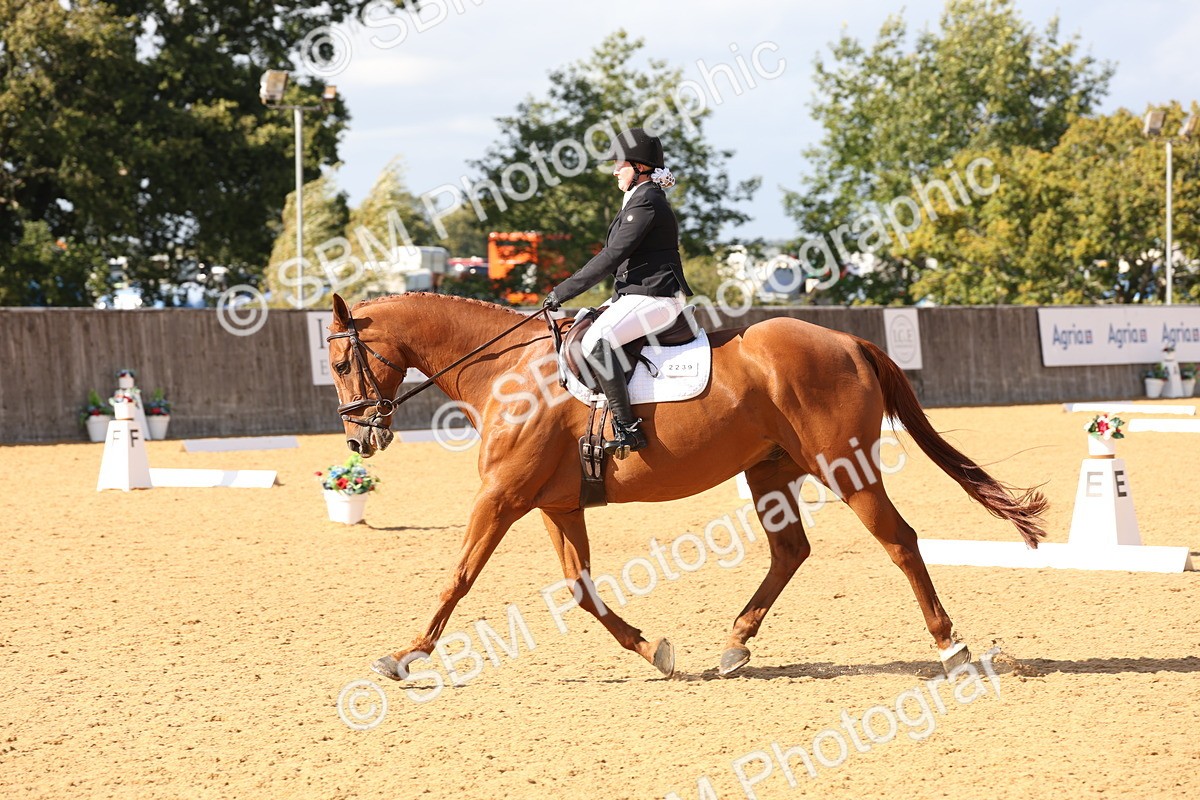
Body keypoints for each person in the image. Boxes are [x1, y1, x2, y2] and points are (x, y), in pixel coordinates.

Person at [542, 128, 692, 459]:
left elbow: (611, 255)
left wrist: (563, 290)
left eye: (619, 164)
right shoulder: (638, 199)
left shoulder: (648, 202)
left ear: (640, 166)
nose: (614, 171)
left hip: (656, 296)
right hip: (637, 292)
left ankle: (628, 430)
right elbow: (617, 258)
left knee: (599, 341)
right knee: (585, 323)